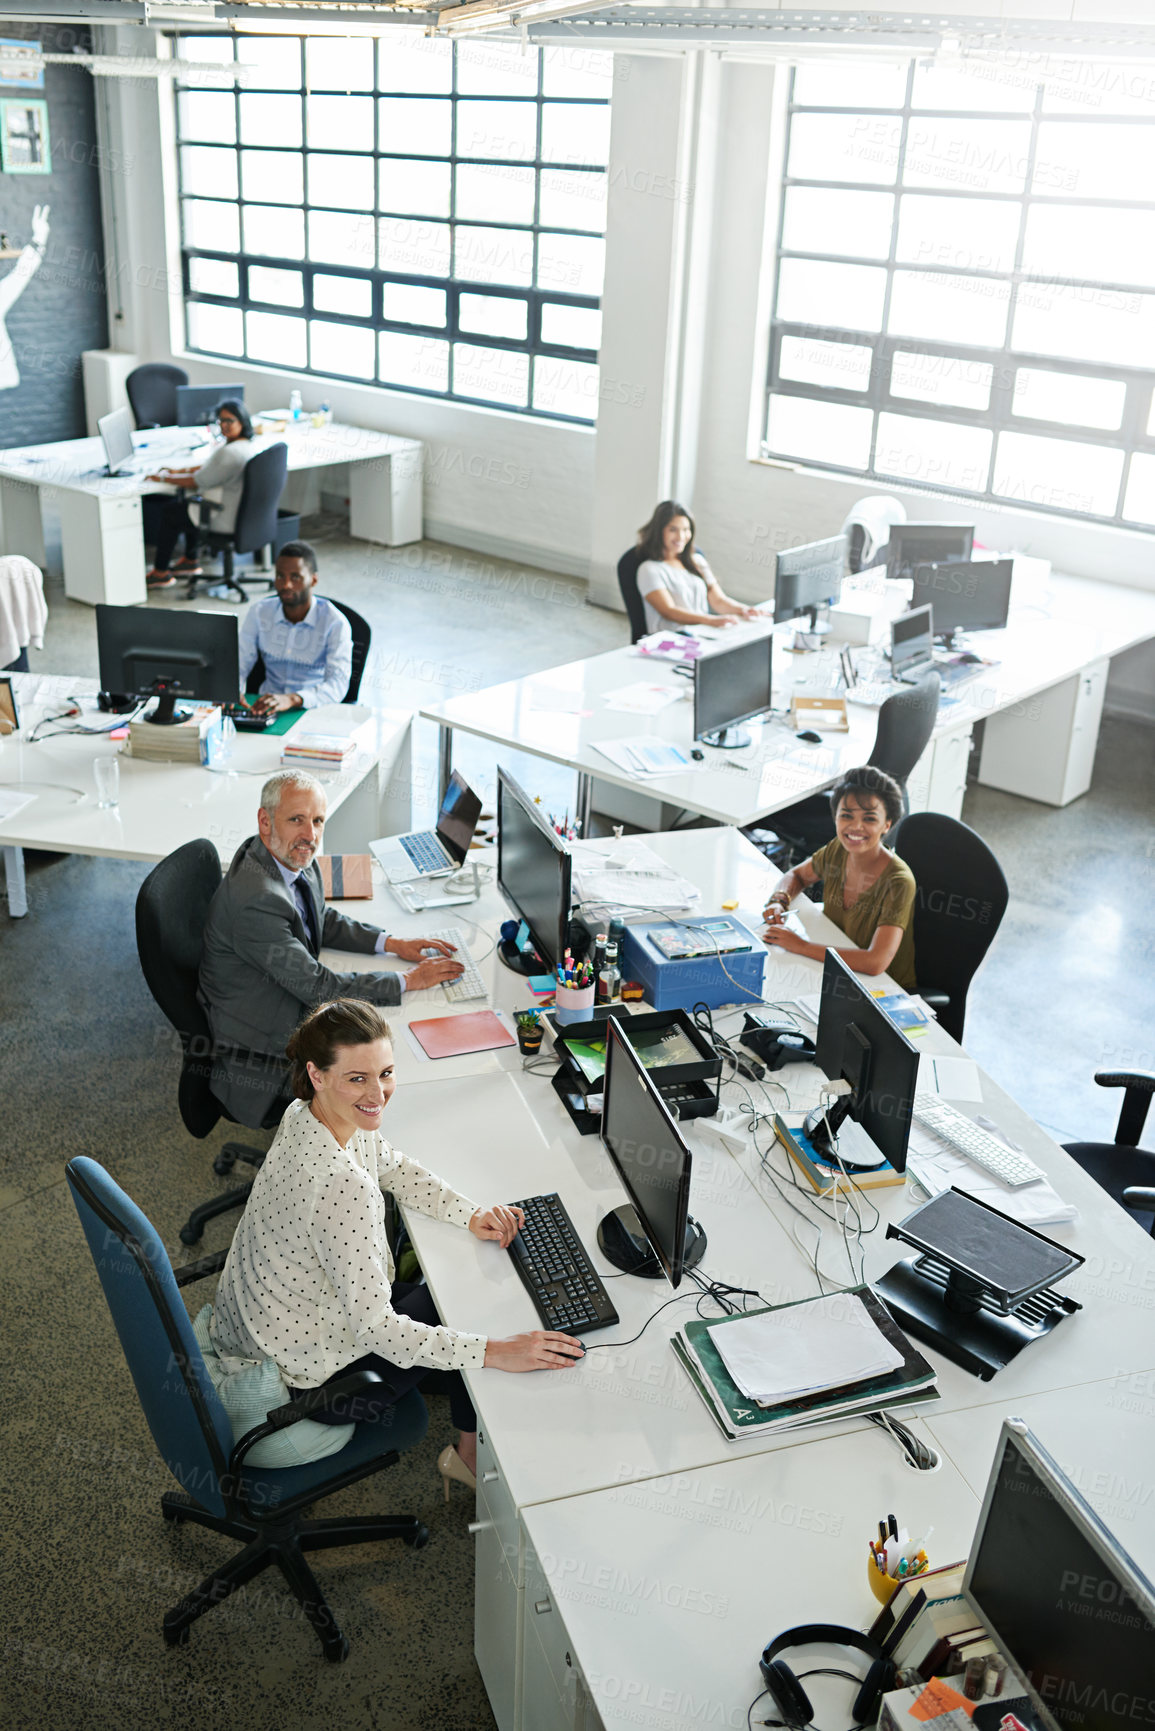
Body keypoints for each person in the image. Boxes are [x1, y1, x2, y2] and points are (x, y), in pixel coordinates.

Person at [210, 998, 585, 1497]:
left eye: (385, 1073)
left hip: (273, 1330)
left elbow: (389, 1162)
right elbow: (376, 1329)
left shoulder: (307, 1115)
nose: (377, 1094)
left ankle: (468, 1444)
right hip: (311, 1384)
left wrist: (468, 1213)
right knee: (470, 1317)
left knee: (452, 1298)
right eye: (357, 1078)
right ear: (316, 1074)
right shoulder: (342, 1188)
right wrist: (495, 1352)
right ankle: (473, 1460)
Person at [198, 770, 465, 1124]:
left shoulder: (286, 855)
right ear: (265, 821)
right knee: (386, 1076)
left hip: (285, 1001)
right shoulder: (255, 901)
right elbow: (318, 987)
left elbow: (320, 916)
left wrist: (391, 943)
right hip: (263, 1050)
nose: (310, 835)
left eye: (318, 821)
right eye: (297, 820)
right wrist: (408, 981)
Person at [761, 766, 917, 992]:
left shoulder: (899, 881)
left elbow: (875, 962)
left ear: (887, 825)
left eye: (869, 818)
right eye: (846, 815)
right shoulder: (839, 849)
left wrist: (800, 945)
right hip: (834, 967)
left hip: (882, 990)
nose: (855, 827)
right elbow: (797, 875)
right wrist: (779, 900)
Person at [144, 399, 254, 589]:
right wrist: (177, 471)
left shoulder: (228, 453)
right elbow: (209, 468)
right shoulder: (246, 447)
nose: (224, 426)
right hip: (240, 514)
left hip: (222, 516)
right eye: (221, 421)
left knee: (172, 512)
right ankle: (189, 561)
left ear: (242, 422)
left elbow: (196, 481)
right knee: (191, 504)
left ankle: (160, 573)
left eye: (230, 421)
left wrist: (162, 478)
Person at [237, 540, 353, 714]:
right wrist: (232, 688)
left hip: (313, 708)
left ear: (313, 580)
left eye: (295, 577)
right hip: (264, 707)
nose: (286, 585)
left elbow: (337, 684)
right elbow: (239, 661)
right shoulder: (259, 612)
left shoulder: (335, 623)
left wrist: (293, 699)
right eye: (280, 576)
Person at [635, 500, 761, 636]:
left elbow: (718, 601)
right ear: (659, 531)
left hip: (701, 634)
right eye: (673, 530)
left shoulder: (697, 561)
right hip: (672, 639)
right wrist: (710, 620)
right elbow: (668, 611)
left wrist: (743, 609)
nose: (681, 536)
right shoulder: (649, 569)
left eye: (685, 530)